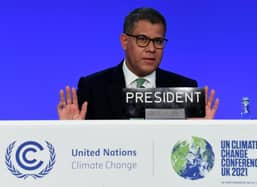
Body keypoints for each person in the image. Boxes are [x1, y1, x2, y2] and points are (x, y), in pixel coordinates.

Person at [57, 7, 219, 120]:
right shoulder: (93, 87)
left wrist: (202, 132)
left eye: (158, 41)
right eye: (142, 40)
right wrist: (69, 131)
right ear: (124, 41)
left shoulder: (183, 88)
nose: (151, 49)